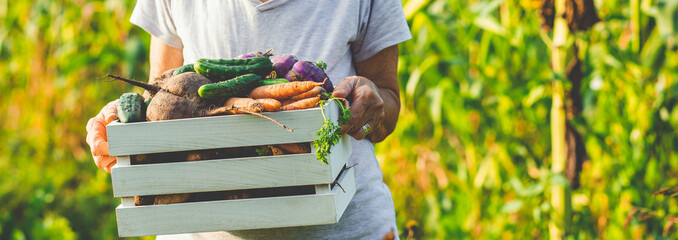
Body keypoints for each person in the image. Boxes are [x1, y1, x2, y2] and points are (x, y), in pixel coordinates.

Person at [86, 0, 411, 239]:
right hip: (200, 228)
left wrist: (371, 104)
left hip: (347, 228)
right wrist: (123, 123)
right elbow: (160, 92)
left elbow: (389, 99)